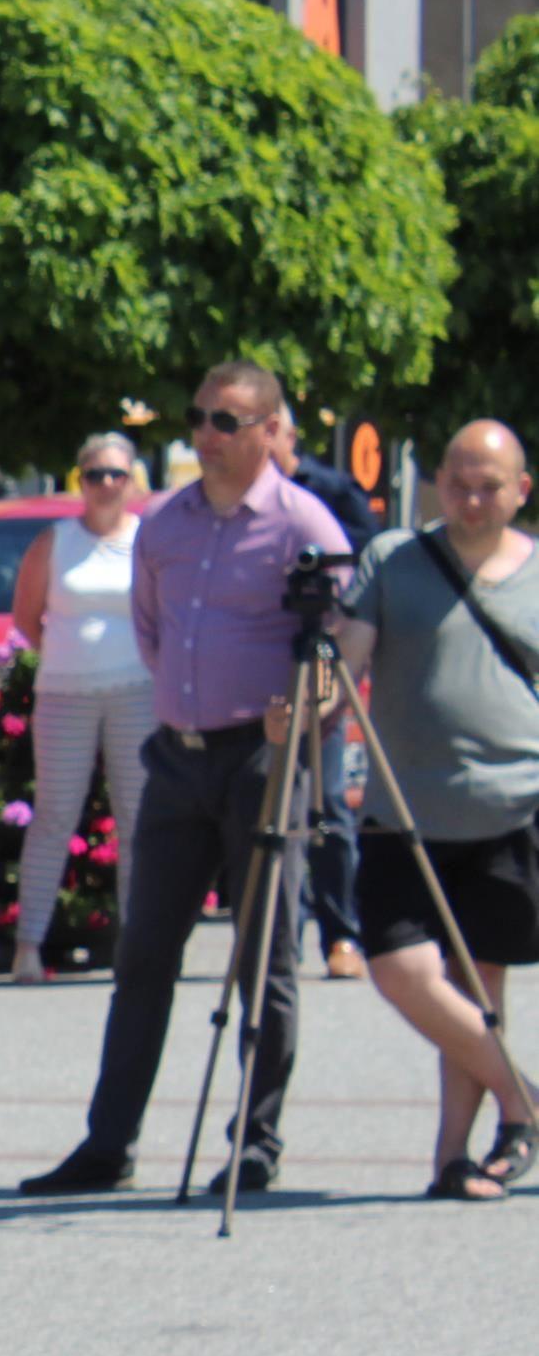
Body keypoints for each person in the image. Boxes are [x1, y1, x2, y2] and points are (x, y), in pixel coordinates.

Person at [22, 362, 351, 1197]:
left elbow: (338, 652)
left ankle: (255, 1141)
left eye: (228, 420)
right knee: (143, 954)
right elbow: (151, 631)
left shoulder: (303, 524)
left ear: (269, 429)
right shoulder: (163, 524)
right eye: (200, 417)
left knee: (263, 960)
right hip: (179, 755)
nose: (207, 433)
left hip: (261, 761)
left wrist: (292, 713)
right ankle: (109, 1142)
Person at [332, 420, 539, 1199]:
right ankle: (525, 1101)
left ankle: (454, 1157)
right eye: (458, 480)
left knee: (478, 986)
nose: (472, 496)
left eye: (490, 484)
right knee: (403, 969)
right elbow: (346, 657)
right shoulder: (394, 558)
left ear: (521, 489)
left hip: (512, 807)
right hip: (403, 810)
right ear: (438, 482)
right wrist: (308, 702)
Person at [8, 433, 157, 983]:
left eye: (117, 474)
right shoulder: (56, 540)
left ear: (132, 481)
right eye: (95, 474)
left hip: (135, 693)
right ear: (80, 480)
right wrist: (69, 658)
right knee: (53, 817)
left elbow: (163, 617)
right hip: (65, 693)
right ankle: (29, 945)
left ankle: (138, 949)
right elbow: (27, 617)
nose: (106, 485)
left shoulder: (148, 540)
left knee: (139, 822)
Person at [276, 414, 384, 982]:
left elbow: (367, 573)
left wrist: (344, 652)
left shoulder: (333, 493)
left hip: (322, 652)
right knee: (271, 804)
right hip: (260, 659)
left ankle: (342, 934)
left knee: (328, 797)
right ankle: (279, 936)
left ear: (284, 434)